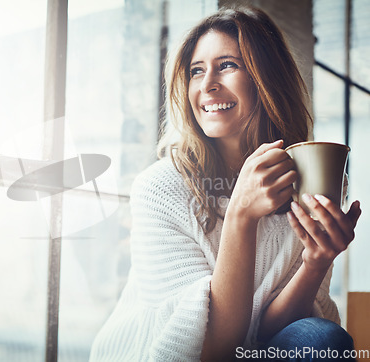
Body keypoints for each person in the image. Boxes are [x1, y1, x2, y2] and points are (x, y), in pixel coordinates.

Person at [90, 6, 362, 362]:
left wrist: (315, 262)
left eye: (228, 65)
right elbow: (214, 349)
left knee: (321, 338)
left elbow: (264, 335)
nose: (207, 85)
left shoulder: (304, 183)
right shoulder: (159, 189)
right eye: (196, 71)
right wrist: (240, 215)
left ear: (267, 80)